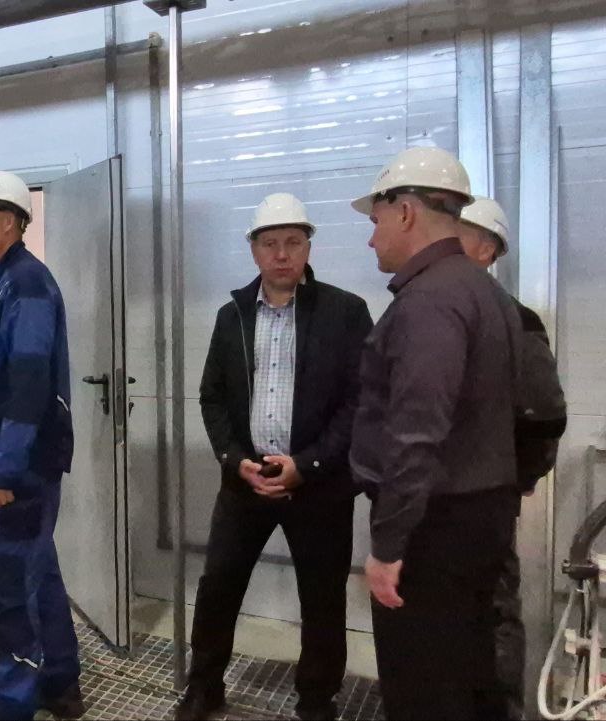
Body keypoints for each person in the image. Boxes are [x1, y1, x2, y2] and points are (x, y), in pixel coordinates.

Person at [178, 193, 373, 721]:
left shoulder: (346, 313)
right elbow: (212, 397)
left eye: (293, 242)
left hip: (318, 484)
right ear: (254, 250)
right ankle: (204, 686)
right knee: (218, 585)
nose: (282, 253)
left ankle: (316, 699)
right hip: (246, 480)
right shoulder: (232, 316)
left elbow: (360, 401)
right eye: (270, 243)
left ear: (309, 246)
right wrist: (233, 458)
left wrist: (307, 465)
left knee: (322, 597)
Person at [350, 147, 525, 720]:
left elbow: (415, 434)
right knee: (468, 677)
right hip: (478, 518)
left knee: (423, 688)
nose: (371, 239)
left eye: (376, 220)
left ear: (405, 212)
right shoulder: (484, 292)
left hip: (432, 532)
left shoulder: (429, 302)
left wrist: (388, 548)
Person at [0, 170, 81, 721]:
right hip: (11, 459)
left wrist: (3, 470)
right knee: (41, 573)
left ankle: (13, 705)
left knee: (9, 588)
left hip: (24, 466)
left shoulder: (26, 284)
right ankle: (60, 684)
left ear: (10, 222)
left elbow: (29, 387)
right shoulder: (1, 283)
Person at [457, 196, 567, 720]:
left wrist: (515, 479)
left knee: (494, 610)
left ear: (488, 250)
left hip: (486, 502)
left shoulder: (515, 321)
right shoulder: (429, 314)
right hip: (431, 504)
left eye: (459, 238)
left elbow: (545, 417)